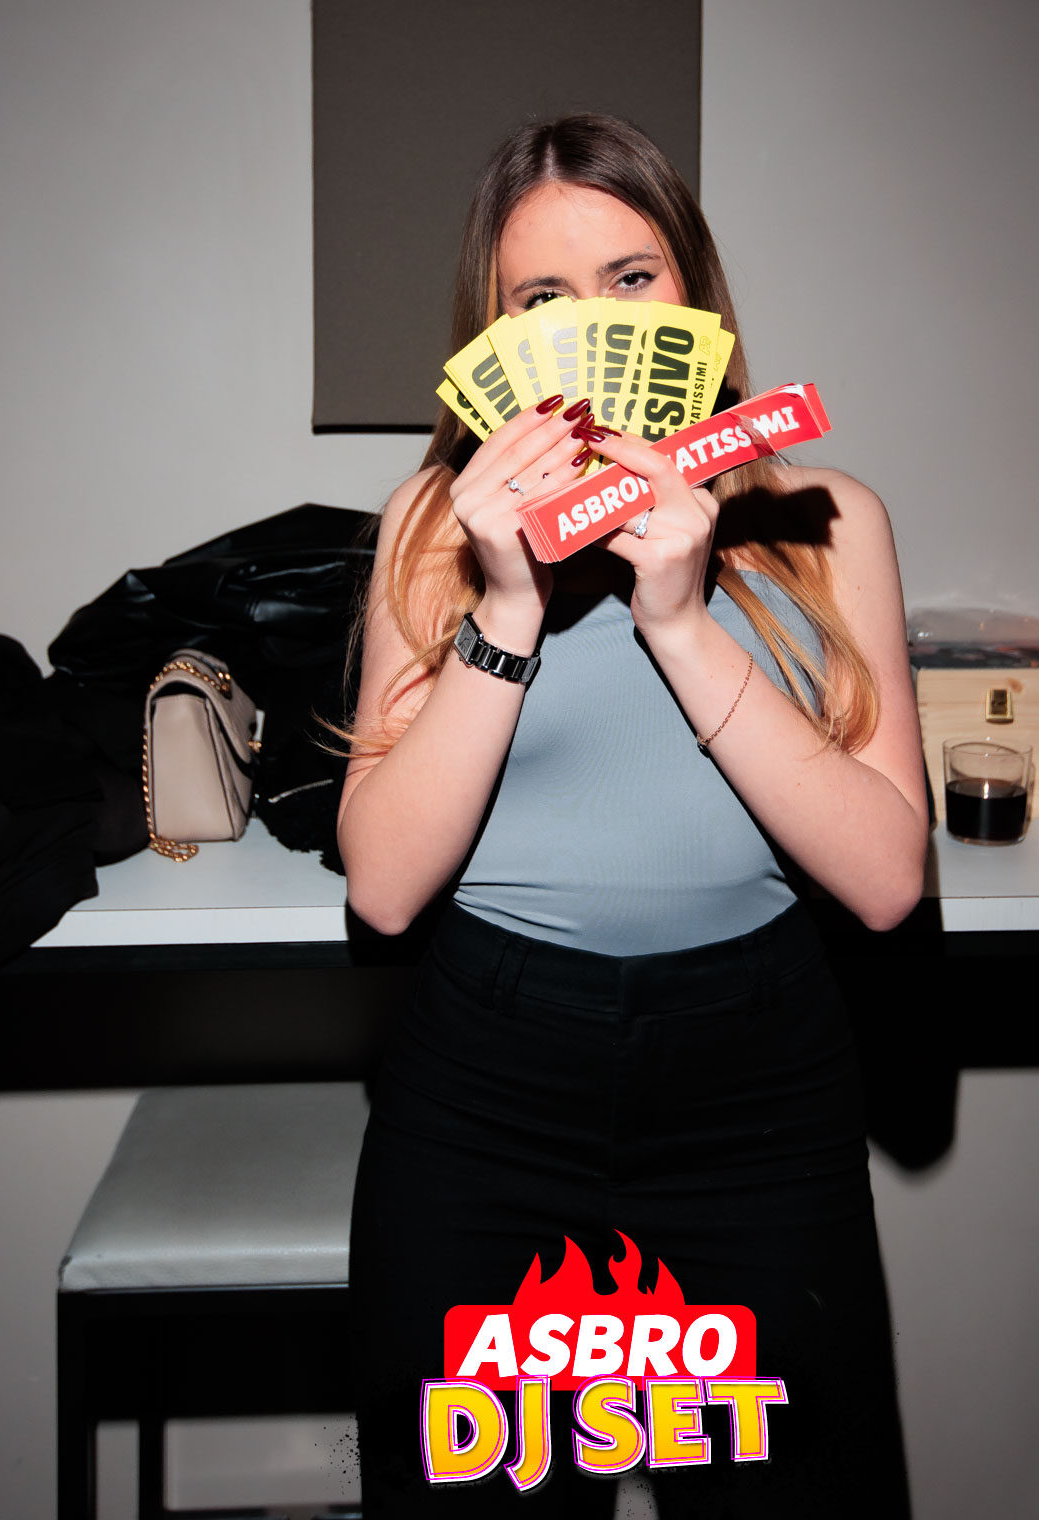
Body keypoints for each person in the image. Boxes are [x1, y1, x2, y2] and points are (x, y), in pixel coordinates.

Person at [336, 112, 929, 1518]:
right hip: (487, 1095)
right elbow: (386, 888)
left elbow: (887, 879)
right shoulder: (430, 526)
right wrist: (506, 603)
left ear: (692, 294)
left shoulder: (827, 520)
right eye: (541, 298)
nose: (589, 327)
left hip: (757, 1097)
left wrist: (679, 616)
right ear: (495, 336)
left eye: (630, 277)